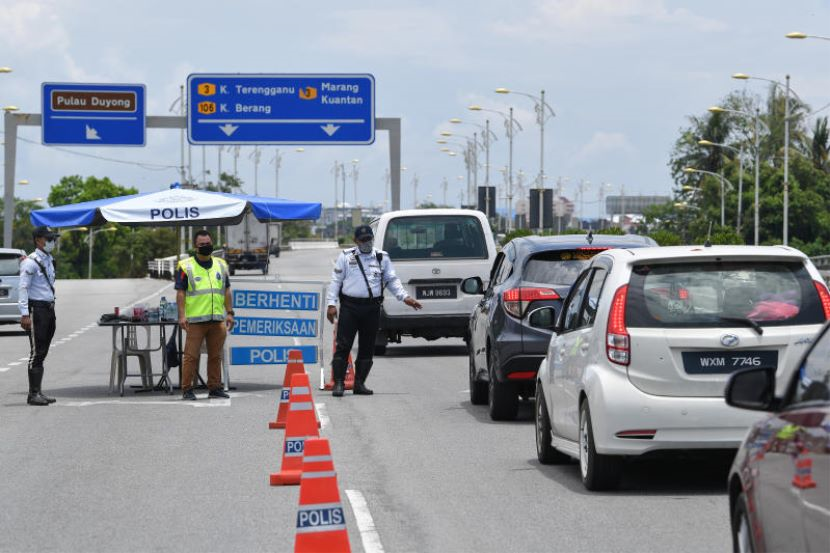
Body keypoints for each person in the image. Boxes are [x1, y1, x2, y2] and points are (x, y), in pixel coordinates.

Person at [326, 225, 422, 397]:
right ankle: (339, 383)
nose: (366, 243)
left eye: (369, 239)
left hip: (372, 308)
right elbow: (335, 281)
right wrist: (331, 304)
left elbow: (391, 280)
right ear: (356, 241)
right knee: (343, 345)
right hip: (350, 307)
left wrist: (404, 297)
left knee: (367, 347)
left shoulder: (381, 257)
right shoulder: (346, 257)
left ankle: (359, 383)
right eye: (363, 240)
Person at [175, 230, 234, 400]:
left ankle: (215, 388)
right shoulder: (186, 266)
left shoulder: (221, 264)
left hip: (217, 319)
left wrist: (229, 313)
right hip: (195, 321)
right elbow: (181, 293)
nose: (206, 246)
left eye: (208, 243)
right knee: (190, 357)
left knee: (216, 356)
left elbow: (227, 289)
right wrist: (182, 316)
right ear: (195, 246)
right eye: (202, 244)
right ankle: (187, 389)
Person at [18, 226, 60, 406]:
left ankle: (39, 392)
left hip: (49, 309)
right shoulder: (30, 262)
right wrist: (24, 314)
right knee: (36, 352)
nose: (52, 241)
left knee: (42, 351)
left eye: (53, 238)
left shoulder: (49, 259)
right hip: (37, 310)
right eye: (48, 238)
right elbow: (23, 288)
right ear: (38, 240)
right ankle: (33, 394)